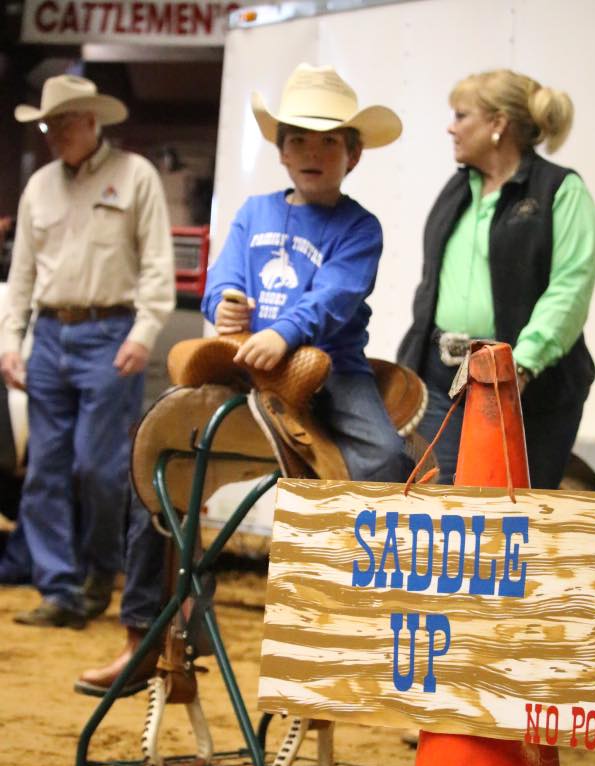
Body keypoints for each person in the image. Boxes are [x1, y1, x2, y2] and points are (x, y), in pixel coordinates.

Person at [0, 74, 175, 628]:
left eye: (65, 123)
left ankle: (102, 567)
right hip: (50, 335)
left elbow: (156, 265)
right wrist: (10, 340)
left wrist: (143, 332)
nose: (54, 134)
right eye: (49, 125)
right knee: (45, 469)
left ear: (93, 122)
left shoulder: (135, 176)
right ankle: (60, 591)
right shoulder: (39, 187)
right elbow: (22, 272)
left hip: (110, 333)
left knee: (99, 469)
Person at [201, 62, 414, 484]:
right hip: (250, 359)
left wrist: (284, 332)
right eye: (297, 140)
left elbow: (334, 297)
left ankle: (363, 545)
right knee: (165, 434)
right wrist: (222, 304)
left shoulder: (359, 226)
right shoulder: (253, 212)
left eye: (329, 141)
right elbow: (223, 277)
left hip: (332, 367)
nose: (311, 153)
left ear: (353, 155)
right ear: (282, 152)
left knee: (385, 457)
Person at [398, 68, 595, 489]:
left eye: (461, 115)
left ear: (497, 124)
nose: (450, 127)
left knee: (515, 509)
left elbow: (570, 289)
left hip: (529, 385)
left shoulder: (559, 190)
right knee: (446, 499)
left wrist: (520, 367)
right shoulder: (457, 189)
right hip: (443, 379)